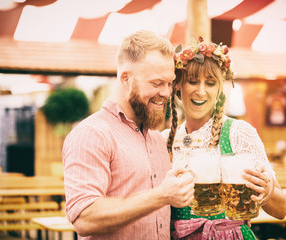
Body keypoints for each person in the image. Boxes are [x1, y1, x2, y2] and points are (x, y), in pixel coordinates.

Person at [62, 30, 195, 240]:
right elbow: (85, 218)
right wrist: (161, 196)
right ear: (126, 78)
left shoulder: (156, 139)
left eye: (169, 83)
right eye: (157, 83)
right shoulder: (92, 133)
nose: (167, 93)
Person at [164, 37, 286, 239]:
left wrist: (266, 191)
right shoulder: (163, 141)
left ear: (219, 90)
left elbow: (281, 210)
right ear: (178, 85)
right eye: (193, 81)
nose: (201, 91)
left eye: (210, 83)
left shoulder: (238, 133)